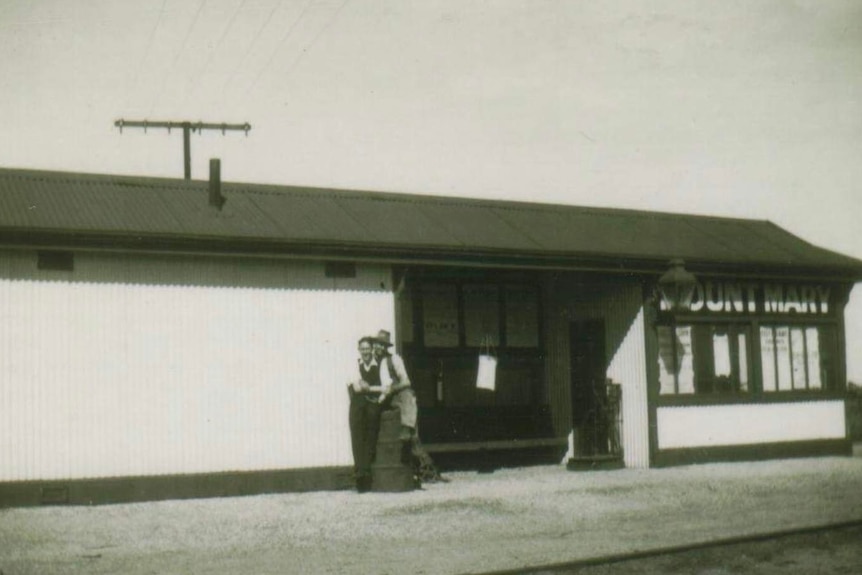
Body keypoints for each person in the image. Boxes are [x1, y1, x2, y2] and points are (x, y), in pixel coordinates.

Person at [347, 336, 383, 492]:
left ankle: (366, 473)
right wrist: (362, 385)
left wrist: (369, 388)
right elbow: (354, 385)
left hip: (373, 403)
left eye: (367, 348)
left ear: (372, 349)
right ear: (359, 350)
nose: (365, 351)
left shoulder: (380, 364)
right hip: (358, 403)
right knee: (356, 435)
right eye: (362, 348)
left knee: (370, 434)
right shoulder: (355, 364)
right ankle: (360, 474)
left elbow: (385, 387)